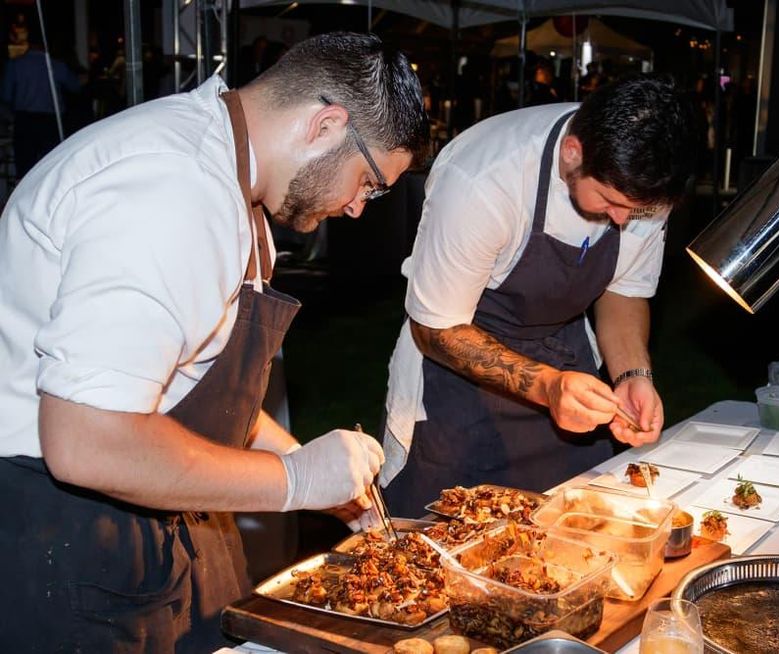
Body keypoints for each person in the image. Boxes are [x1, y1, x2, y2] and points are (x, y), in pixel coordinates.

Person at [0, 32, 427, 652]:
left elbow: (196, 391)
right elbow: (86, 443)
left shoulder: (236, 181)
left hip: (165, 504)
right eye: (368, 183)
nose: (359, 208)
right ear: (326, 125)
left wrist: (323, 478)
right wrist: (295, 481)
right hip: (68, 536)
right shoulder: (169, 195)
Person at [381, 74, 693, 516]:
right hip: (455, 384)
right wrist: (547, 387)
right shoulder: (485, 179)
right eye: (609, 201)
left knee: (577, 535)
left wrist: (631, 376)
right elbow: (434, 328)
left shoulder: (641, 183)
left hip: (566, 362)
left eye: (639, 210)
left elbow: (623, 291)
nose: (624, 219)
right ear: (573, 154)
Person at [0, 20, 82, 179]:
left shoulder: (15, 65)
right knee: (49, 167)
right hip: (49, 122)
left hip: (25, 120)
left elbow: (6, 96)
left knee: (24, 168)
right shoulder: (55, 65)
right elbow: (75, 87)